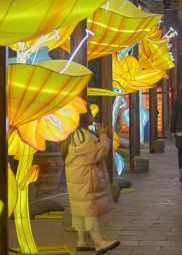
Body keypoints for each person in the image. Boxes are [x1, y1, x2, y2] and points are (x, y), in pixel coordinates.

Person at [62, 108, 120, 254]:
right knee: (89, 209)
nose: (91, 116)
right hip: (86, 176)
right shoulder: (85, 136)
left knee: (81, 208)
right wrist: (103, 136)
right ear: (81, 117)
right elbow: (100, 152)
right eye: (88, 113)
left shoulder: (72, 135)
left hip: (77, 176)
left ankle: (82, 240)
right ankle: (99, 241)